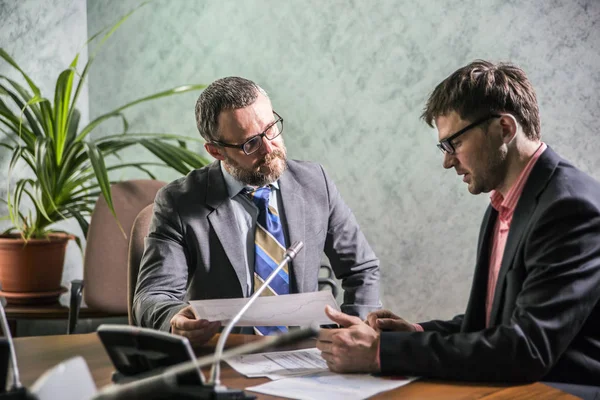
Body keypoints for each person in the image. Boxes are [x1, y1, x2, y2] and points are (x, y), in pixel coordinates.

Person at [317, 60, 600, 390]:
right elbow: (492, 326)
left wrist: (382, 351)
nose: (447, 161)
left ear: (504, 129)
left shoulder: (570, 209)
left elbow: (527, 349)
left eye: (454, 144)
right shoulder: (504, 203)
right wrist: (416, 334)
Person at [133, 76, 381, 344]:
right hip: (225, 353)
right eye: (250, 143)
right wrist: (175, 319)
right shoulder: (179, 202)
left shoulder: (314, 182)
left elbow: (361, 269)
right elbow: (152, 296)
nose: (269, 148)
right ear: (216, 151)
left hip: (307, 352)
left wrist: (356, 333)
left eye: (271, 129)